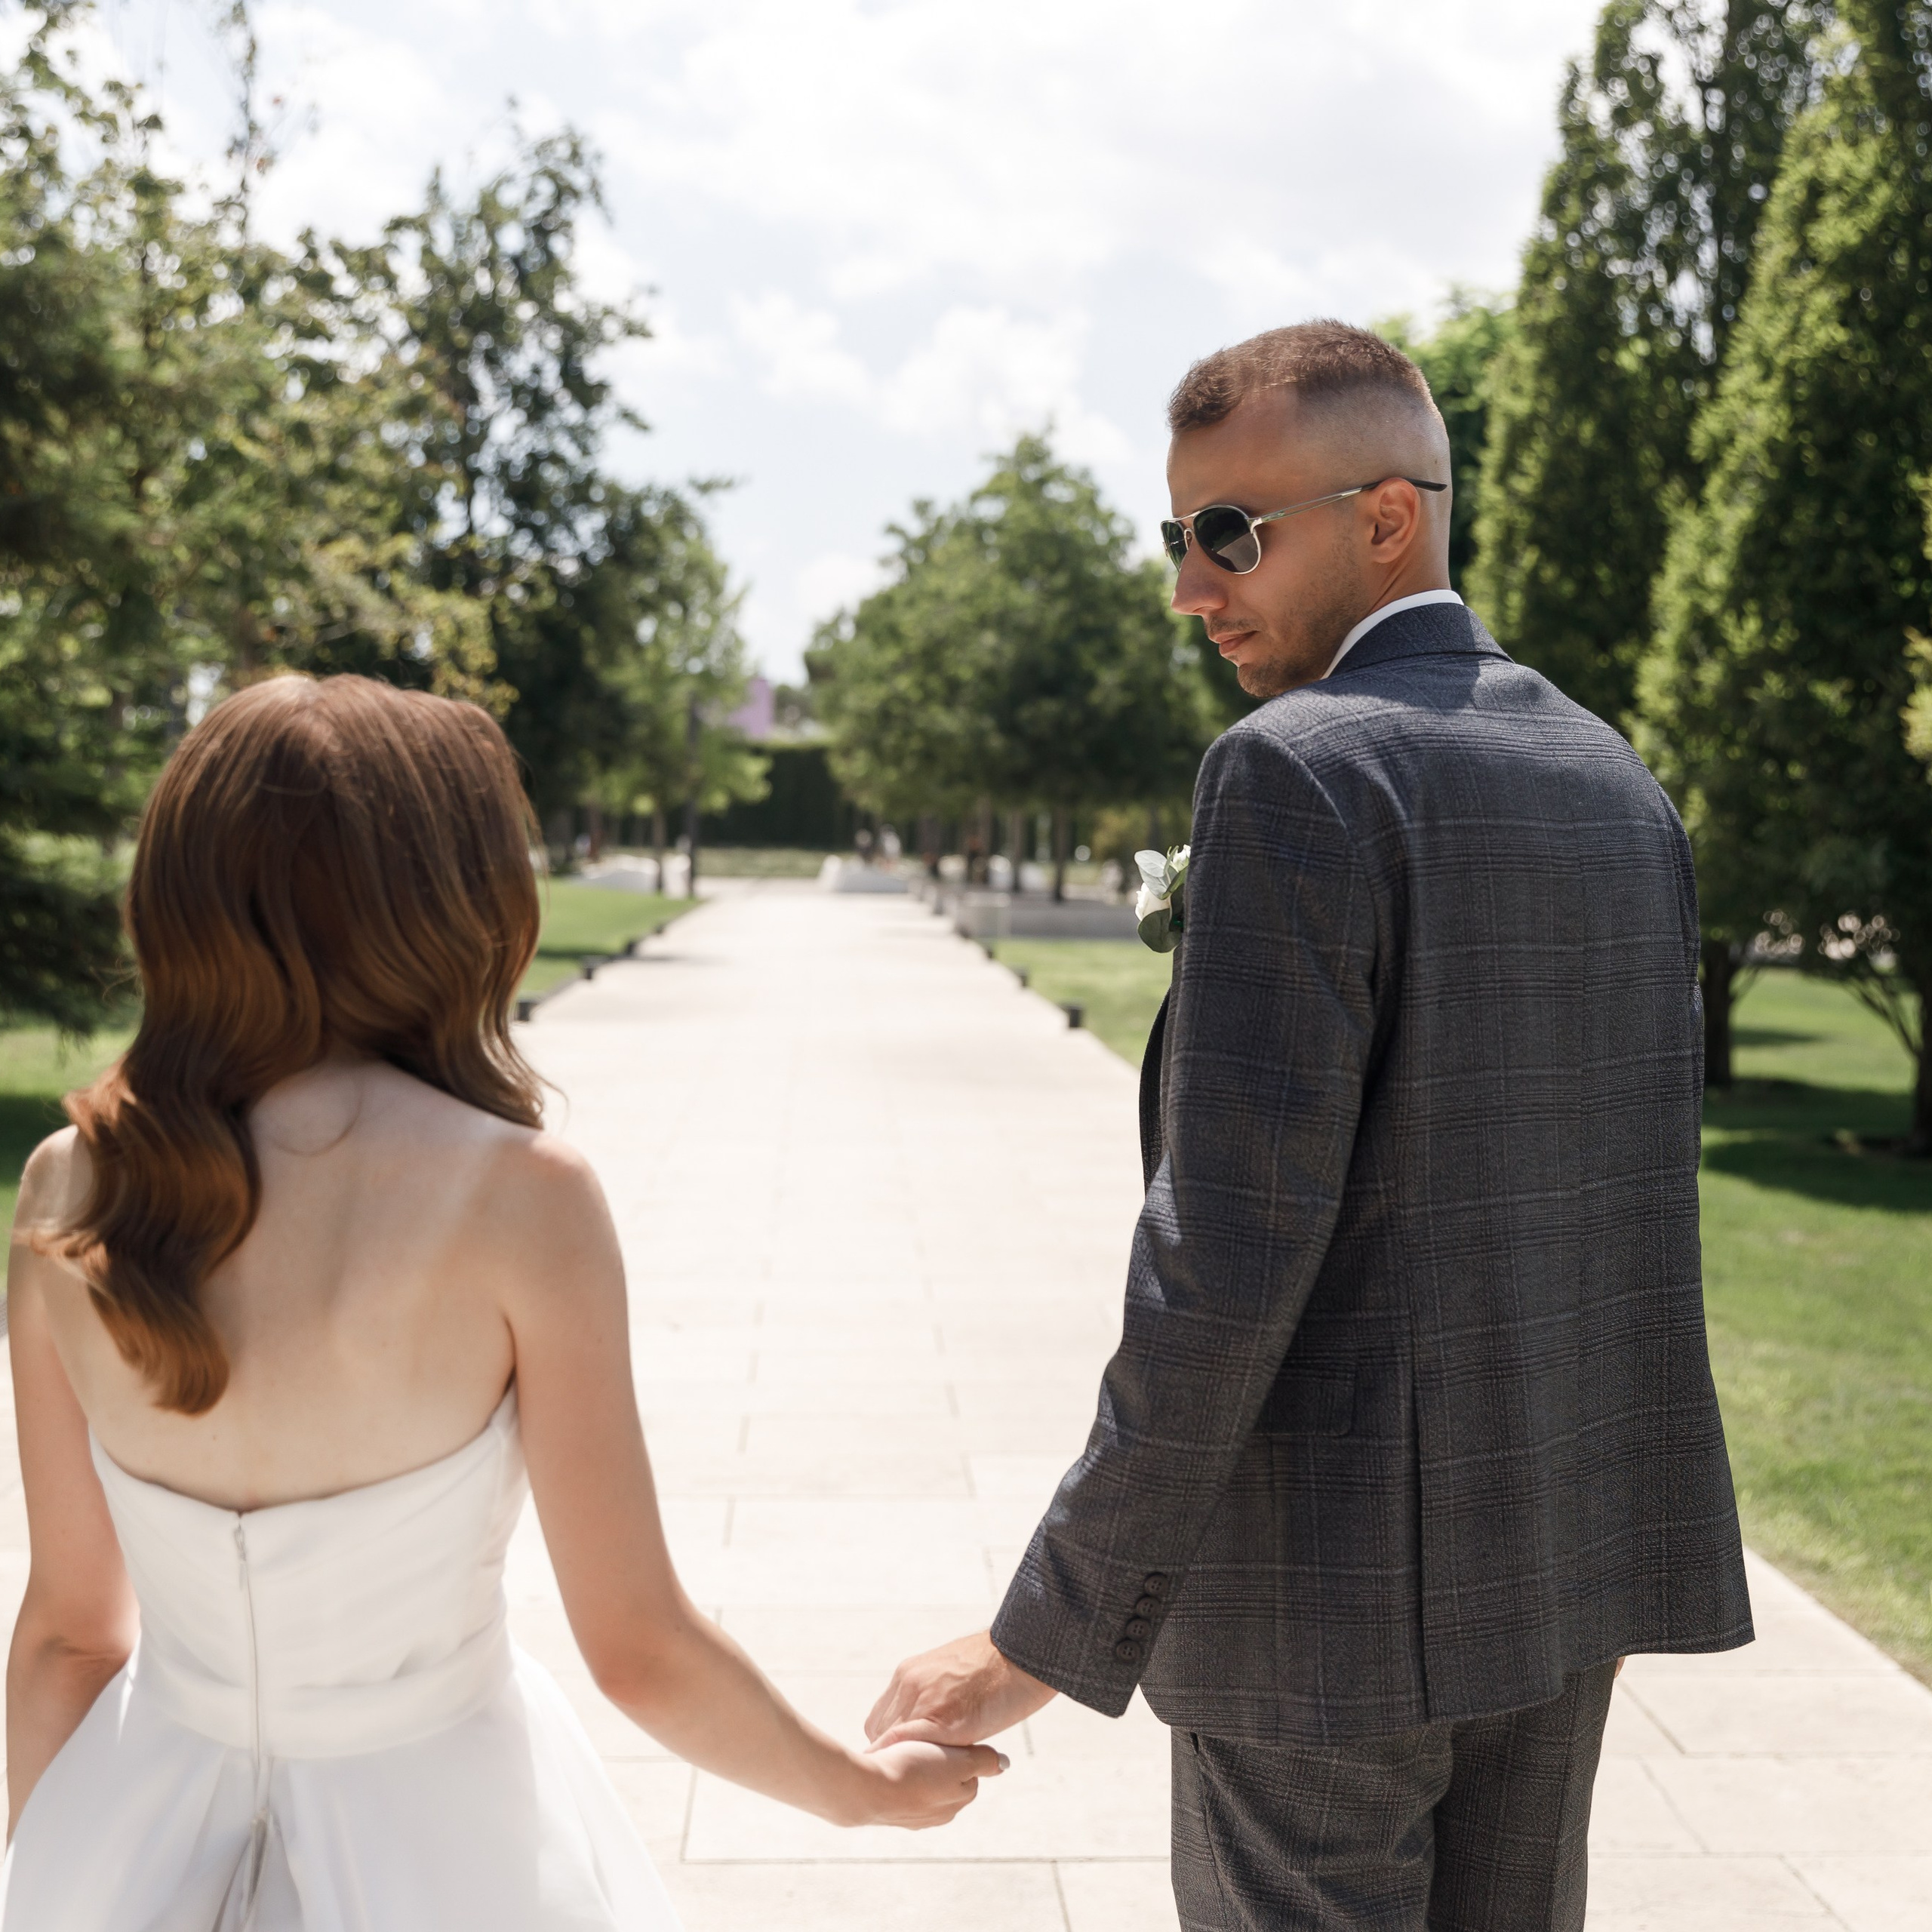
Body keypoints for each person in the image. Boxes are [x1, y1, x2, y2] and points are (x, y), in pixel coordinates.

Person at [866, 321, 1753, 1930]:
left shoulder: (1296, 771)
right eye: (1177, 534)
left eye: (1231, 534)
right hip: (1555, 1576)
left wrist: (1037, 1635)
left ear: (1386, 519)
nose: (1190, 586)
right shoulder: (1612, 778)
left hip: (1316, 1614)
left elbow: (1221, 1261)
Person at [2, 675, 1001, 1930]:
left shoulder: (63, 1186)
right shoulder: (518, 1197)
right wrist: (857, 1789)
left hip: (129, 1833)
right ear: (446, 897)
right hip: (447, 1848)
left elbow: (66, 1642)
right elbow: (637, 1645)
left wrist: (53, 1867)